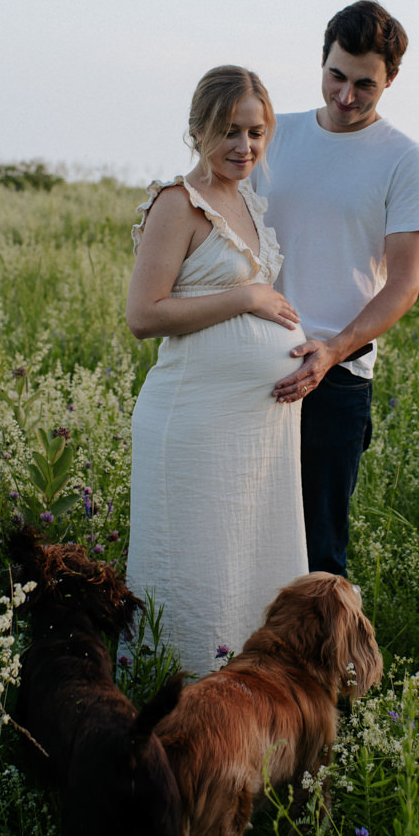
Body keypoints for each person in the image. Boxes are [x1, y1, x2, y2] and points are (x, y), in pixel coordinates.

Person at [125, 66, 309, 676]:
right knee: (197, 572)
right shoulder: (177, 204)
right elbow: (144, 315)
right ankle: (177, 711)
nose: (245, 147)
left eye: (256, 133)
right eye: (230, 131)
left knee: (244, 567)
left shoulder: (249, 200)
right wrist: (247, 299)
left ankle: (245, 712)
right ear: (198, 128)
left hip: (254, 435)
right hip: (194, 424)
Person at [256, 0, 419, 577]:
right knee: (242, 535)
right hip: (253, 363)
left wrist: (332, 351)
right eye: (337, 76)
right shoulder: (271, 136)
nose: (346, 96)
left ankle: (316, 670)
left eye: (366, 84)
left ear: (391, 80)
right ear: (323, 59)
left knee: (317, 555)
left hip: (335, 378)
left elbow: (404, 284)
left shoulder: (404, 160)